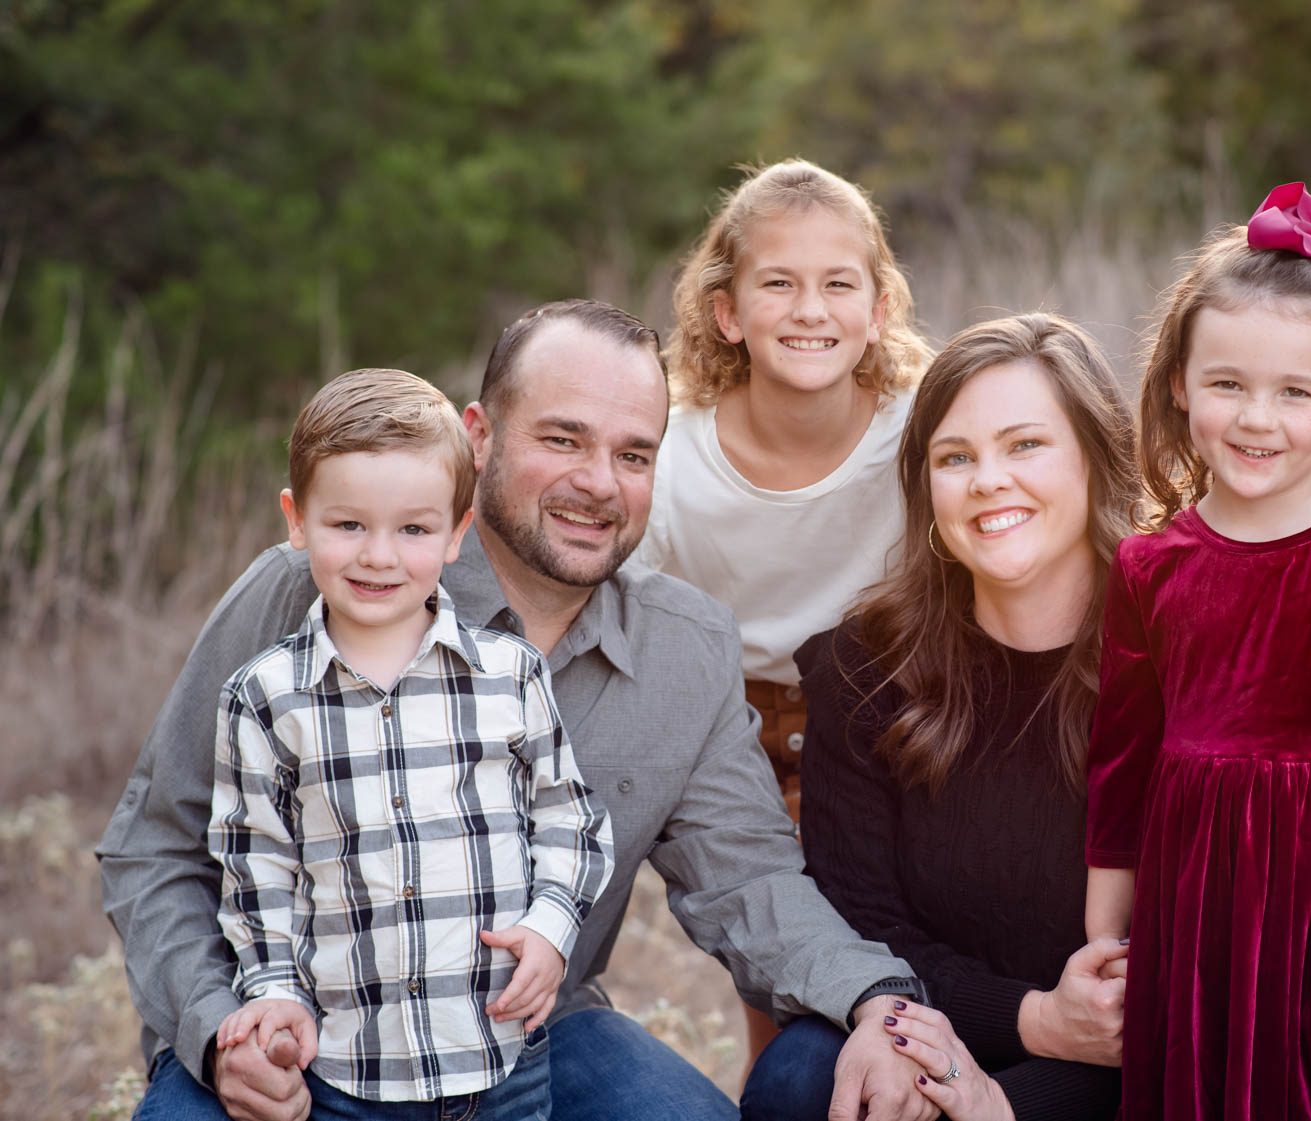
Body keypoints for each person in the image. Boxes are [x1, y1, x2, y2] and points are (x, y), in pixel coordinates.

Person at [98, 299, 938, 1121]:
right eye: (562, 438)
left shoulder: (688, 651)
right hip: (294, 1031)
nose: (598, 483)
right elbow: (157, 843)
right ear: (478, 436)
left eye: (634, 455)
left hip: (529, 1033)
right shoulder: (313, 588)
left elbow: (748, 879)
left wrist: (878, 999)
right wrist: (217, 1029)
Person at [1084, 183, 1311, 1120]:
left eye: (1295, 392)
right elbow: (1122, 758)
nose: (1257, 418)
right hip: (1194, 905)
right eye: (1228, 384)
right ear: (1180, 384)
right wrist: (1104, 935)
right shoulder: (1149, 565)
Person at [741, 313, 1139, 1121]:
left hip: (1121, 1056)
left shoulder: (1177, 656)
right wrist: (1031, 1021)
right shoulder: (864, 666)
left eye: (1025, 444)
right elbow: (861, 922)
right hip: (921, 1019)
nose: (988, 479)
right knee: (798, 1082)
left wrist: (1010, 1100)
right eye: (956, 458)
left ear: (1097, 459)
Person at [205, 368, 614, 1120]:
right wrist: (274, 991)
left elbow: (571, 819)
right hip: (347, 1066)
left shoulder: (508, 673)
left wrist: (550, 928)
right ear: (297, 521)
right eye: (348, 524)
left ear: (458, 533)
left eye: (414, 529)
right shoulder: (264, 696)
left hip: (498, 1052)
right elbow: (256, 863)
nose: (379, 556)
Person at [637, 158, 932, 1063]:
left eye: (839, 283)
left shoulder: (921, 427)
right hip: (735, 733)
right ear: (727, 311)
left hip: (894, 711)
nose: (811, 309)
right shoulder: (674, 453)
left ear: (878, 307)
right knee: (784, 989)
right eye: (779, 283)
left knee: (911, 954)